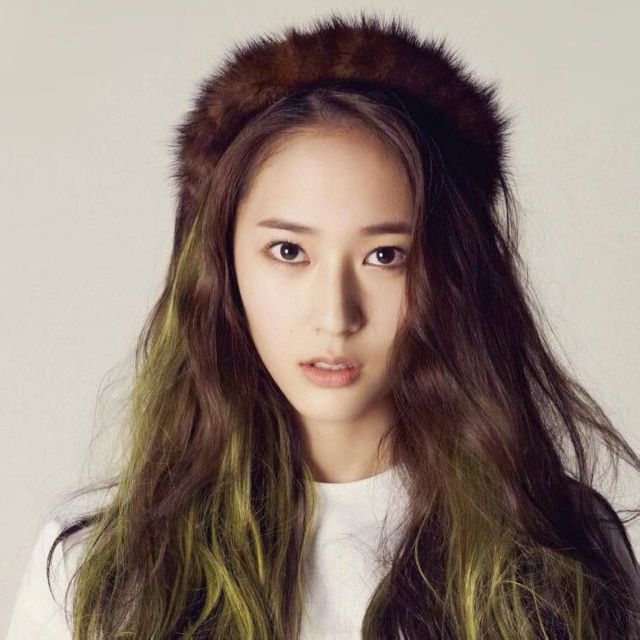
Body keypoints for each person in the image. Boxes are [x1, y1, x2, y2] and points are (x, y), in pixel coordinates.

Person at [7, 11, 640, 640]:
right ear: (222, 265)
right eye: (289, 251)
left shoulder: (562, 551)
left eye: (385, 256)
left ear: (452, 274)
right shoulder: (96, 567)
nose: (336, 316)